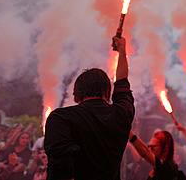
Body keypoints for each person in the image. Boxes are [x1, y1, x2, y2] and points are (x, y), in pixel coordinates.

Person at [44, 36, 135, 179]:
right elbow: (122, 83)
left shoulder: (61, 118)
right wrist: (122, 50)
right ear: (107, 93)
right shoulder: (121, 115)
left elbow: (59, 169)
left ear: (76, 95)